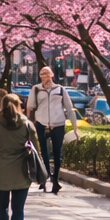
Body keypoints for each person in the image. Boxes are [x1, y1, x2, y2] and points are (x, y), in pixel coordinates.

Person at [25, 66, 78, 194]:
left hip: (58, 123)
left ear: (52, 75)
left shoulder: (60, 89)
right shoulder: (36, 89)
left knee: (57, 153)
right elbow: (30, 107)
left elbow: (69, 109)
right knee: (43, 153)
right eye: (42, 74)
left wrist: (75, 127)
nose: (45, 76)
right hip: (41, 123)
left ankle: (55, 180)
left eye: (47, 73)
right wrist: (28, 126)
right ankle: (45, 177)